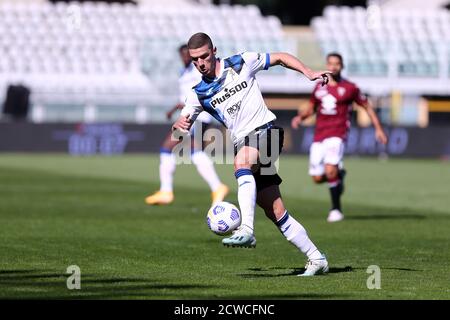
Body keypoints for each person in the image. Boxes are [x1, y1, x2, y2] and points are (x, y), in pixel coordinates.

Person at [173, 32, 331, 276]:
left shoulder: (240, 62)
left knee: (241, 162)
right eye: (195, 60)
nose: (200, 63)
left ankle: (246, 228)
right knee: (276, 211)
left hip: (266, 133)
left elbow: (279, 57)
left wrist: (309, 73)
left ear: (214, 50)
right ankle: (316, 257)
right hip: (245, 144)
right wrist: (178, 127)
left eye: (204, 56)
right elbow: (182, 122)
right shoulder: (198, 93)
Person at [291, 52, 388, 222]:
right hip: (319, 135)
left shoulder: (350, 88)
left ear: (341, 66)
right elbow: (312, 107)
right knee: (317, 178)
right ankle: (339, 176)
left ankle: (336, 210)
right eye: (330, 63)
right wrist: (301, 117)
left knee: (330, 170)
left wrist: (378, 129)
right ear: (327, 65)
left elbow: (367, 107)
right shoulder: (320, 86)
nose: (333, 67)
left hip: (338, 134)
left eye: (337, 63)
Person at [145, 44, 229, 206]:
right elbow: (186, 97)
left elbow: (202, 91)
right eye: (182, 54)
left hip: (197, 115)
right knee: (190, 151)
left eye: (187, 54)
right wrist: (173, 110)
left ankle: (167, 190)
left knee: (170, 147)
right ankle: (216, 187)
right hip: (190, 115)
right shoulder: (183, 73)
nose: (185, 57)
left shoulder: (197, 70)